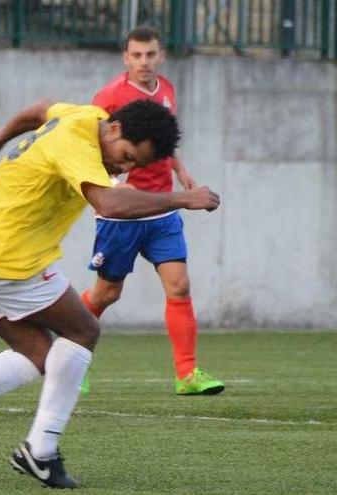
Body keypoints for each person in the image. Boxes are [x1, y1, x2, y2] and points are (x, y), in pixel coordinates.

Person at [0, 99, 219, 488]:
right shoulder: (78, 142)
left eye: (136, 165)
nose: (126, 169)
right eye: (127, 157)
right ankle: (41, 451)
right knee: (84, 330)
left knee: (37, 354)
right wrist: (182, 199)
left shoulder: (83, 114)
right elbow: (109, 203)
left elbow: (36, 110)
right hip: (1, 260)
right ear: (115, 130)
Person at [83, 27, 224, 395]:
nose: (144, 62)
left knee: (179, 285)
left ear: (160, 56)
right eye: (137, 55)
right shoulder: (109, 96)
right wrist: (114, 186)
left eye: (150, 55)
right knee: (106, 294)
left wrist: (180, 170)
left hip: (163, 210)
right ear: (125, 58)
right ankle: (68, 357)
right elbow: (90, 143)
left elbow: (164, 141)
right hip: (123, 213)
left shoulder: (167, 91)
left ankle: (188, 375)